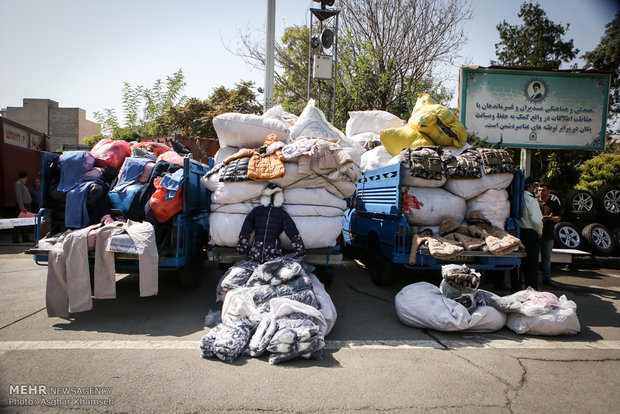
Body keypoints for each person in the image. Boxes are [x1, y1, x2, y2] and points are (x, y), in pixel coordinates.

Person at [519, 176, 543, 290]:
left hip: (519, 233)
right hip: (530, 233)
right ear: (530, 187)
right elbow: (537, 220)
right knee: (531, 264)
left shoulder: (518, 198)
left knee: (520, 263)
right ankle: (532, 289)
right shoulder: (531, 200)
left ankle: (517, 288)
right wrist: (539, 231)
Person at [538, 182, 561, 287]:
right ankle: (531, 278)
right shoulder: (534, 202)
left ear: (549, 191)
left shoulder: (554, 204)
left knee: (546, 258)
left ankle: (547, 279)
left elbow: (558, 218)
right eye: (539, 190)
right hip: (535, 235)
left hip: (548, 235)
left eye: (543, 190)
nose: (541, 192)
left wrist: (549, 218)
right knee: (531, 258)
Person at [13, 170, 33, 243]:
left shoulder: (23, 184)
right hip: (23, 206)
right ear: (26, 176)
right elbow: (19, 196)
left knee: (26, 222)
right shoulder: (18, 184)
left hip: (27, 205)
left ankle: (25, 237)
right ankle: (15, 238)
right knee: (19, 223)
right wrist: (21, 207)